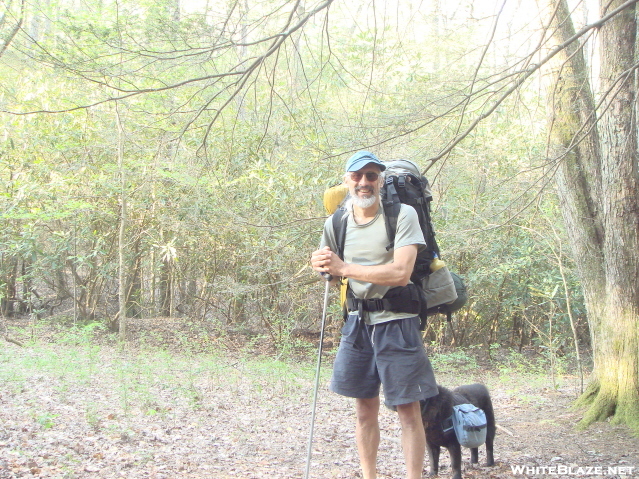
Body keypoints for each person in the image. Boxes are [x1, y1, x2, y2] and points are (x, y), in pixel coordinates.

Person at [310, 151, 438, 479]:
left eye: (371, 176)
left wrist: (344, 268)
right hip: (357, 323)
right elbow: (333, 274)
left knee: (408, 412)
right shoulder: (335, 222)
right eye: (358, 176)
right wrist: (324, 269)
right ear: (346, 180)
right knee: (364, 411)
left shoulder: (402, 215)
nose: (364, 182)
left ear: (380, 179)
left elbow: (400, 272)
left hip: (397, 321)